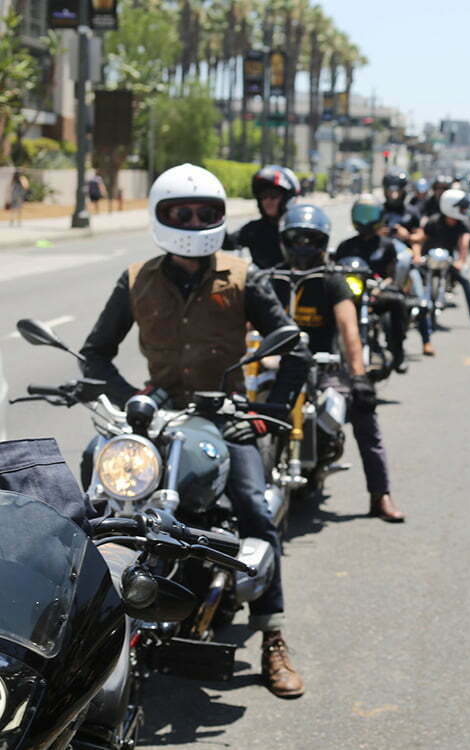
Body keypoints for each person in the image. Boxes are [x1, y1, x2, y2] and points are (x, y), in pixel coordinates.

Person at [79, 163, 309, 698]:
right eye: (181, 212)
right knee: (95, 487)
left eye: (206, 212)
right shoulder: (137, 278)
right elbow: (94, 355)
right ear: (161, 215)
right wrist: (128, 399)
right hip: (155, 414)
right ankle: (78, 619)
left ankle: (273, 633)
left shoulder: (243, 275)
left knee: (252, 505)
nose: (193, 220)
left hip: (225, 414)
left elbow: (289, 342)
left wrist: (265, 409)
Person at [272, 203, 405, 522]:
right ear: (284, 240)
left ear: (323, 242)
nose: (303, 246)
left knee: (364, 415)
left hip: (324, 366)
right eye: (296, 238)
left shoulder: (332, 280)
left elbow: (349, 329)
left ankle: (380, 495)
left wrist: (359, 375)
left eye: (311, 239)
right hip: (278, 364)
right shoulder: (272, 277)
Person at [333, 194, 415, 371]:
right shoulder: (345, 246)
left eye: (370, 214)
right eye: (361, 214)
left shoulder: (387, 245)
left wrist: (381, 287)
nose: (365, 220)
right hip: (349, 295)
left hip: (376, 293)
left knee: (398, 302)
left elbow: (392, 275)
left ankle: (397, 350)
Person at [412, 188, 470, 330]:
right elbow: (420, 239)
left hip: (448, 260)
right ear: (450, 207)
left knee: (465, 281)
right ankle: (412, 313)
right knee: (414, 280)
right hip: (428, 259)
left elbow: (464, 242)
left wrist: (461, 261)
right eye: (461, 208)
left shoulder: (463, 224)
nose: (464, 211)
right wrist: (416, 256)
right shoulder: (434, 222)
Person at [223, 165, 300, 269]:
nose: (268, 201)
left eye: (273, 195)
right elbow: (227, 243)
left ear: (287, 197)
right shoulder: (254, 229)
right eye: (263, 196)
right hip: (262, 284)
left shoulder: (299, 228)